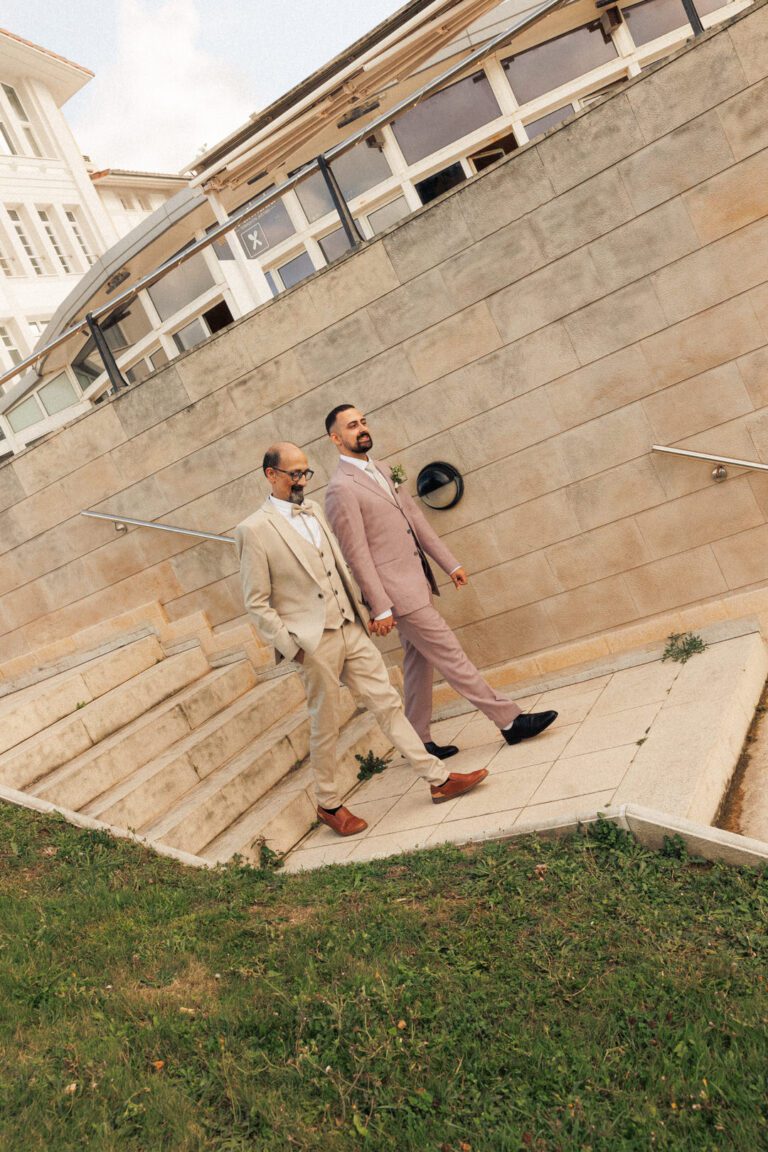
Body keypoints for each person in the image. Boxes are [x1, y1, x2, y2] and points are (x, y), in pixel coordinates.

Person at [234, 442, 489, 837]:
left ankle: (438, 779)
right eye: (294, 474)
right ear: (271, 474)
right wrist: (293, 646)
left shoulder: (315, 510)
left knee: (388, 702)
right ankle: (329, 804)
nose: (302, 481)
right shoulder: (253, 530)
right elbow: (256, 602)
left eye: (306, 473)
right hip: (312, 641)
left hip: (349, 626)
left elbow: (340, 565)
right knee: (327, 723)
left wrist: (368, 609)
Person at [324, 405, 557, 758]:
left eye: (364, 422)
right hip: (397, 593)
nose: (362, 429)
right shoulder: (340, 489)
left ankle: (417, 739)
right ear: (336, 438)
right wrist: (380, 605)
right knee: (451, 655)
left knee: (418, 661)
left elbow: (415, 519)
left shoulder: (384, 469)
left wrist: (450, 564)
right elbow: (355, 554)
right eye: (352, 426)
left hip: (416, 580)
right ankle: (510, 721)